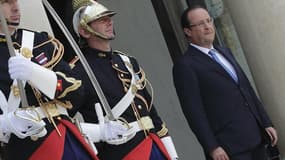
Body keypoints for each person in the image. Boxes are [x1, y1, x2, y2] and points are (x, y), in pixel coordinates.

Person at [71, 0, 178, 159]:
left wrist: (171, 154)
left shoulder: (127, 61)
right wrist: (100, 132)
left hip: (154, 146)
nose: (109, 22)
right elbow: (65, 121)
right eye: (101, 19)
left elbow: (151, 113)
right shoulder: (78, 71)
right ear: (84, 31)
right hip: (122, 153)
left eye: (109, 17)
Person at [172, 5, 278, 160]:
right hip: (229, 150)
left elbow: (247, 90)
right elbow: (194, 113)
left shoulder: (225, 52)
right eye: (200, 24)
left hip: (256, 138)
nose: (208, 26)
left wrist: (266, 122)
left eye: (209, 21)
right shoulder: (185, 66)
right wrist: (212, 147)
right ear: (188, 31)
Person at [0, 0, 98, 159]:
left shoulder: (39, 41)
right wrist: (6, 123)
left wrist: (36, 74)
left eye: (16, 0)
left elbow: (77, 91)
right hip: (29, 150)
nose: (15, 7)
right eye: (6, 2)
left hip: (68, 138)